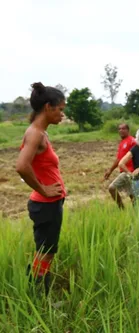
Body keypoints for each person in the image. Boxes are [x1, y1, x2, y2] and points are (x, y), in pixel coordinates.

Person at [15, 82, 66, 293]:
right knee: (46, 251)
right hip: (45, 204)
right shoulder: (35, 133)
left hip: (50, 203)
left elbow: (41, 168)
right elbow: (21, 166)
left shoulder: (41, 133)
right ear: (48, 107)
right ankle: (38, 294)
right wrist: (45, 190)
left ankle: (39, 288)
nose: (62, 115)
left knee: (46, 250)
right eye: (60, 109)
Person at [104, 123, 136, 209]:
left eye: (123, 129)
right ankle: (137, 212)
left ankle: (122, 209)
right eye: (119, 129)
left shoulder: (132, 141)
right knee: (132, 194)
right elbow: (119, 159)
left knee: (112, 188)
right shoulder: (122, 142)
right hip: (124, 171)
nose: (121, 130)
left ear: (128, 130)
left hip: (129, 171)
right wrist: (110, 170)